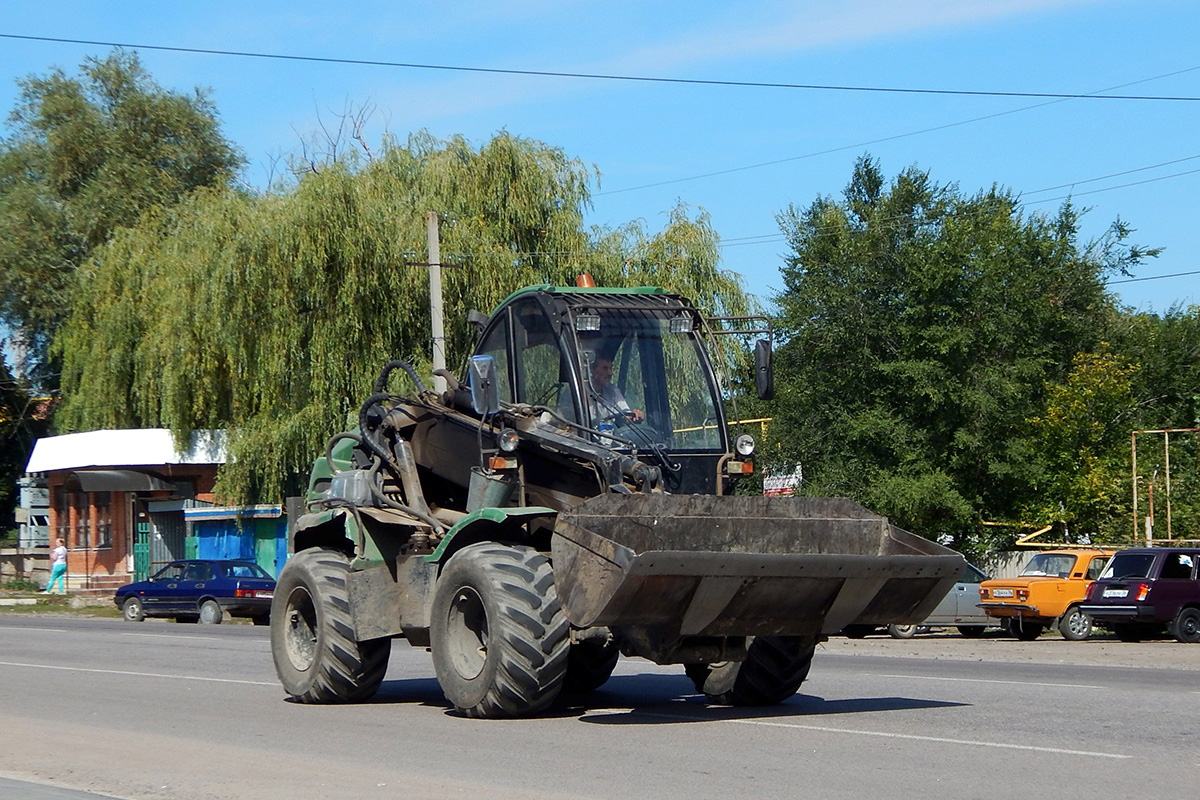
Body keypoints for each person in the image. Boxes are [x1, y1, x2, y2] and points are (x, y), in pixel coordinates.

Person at [587, 357, 644, 424]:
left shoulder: (612, 391)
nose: (610, 373)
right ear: (592, 370)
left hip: (609, 434)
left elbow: (625, 415)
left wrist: (635, 415)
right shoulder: (582, 393)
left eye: (611, 368)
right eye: (605, 368)